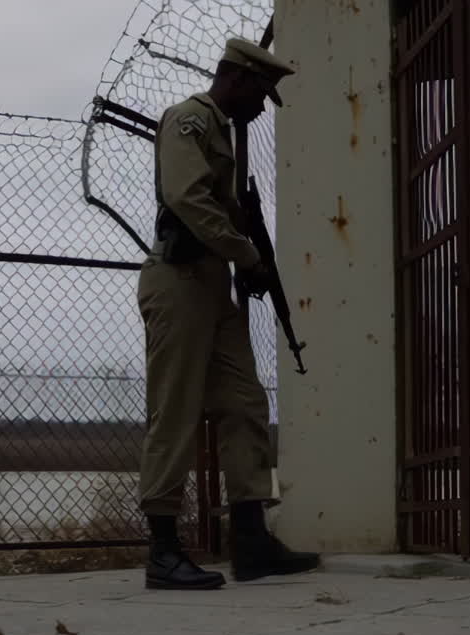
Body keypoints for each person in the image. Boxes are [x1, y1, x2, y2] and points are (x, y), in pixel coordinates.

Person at [137, 37, 320, 590]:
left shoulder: (222, 133)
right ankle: (163, 551)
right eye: (261, 93)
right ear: (237, 79)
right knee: (176, 412)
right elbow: (189, 200)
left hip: (213, 289)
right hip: (179, 282)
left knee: (244, 402)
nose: (263, 107)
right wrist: (248, 254)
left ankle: (251, 539)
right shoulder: (190, 121)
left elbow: (219, 210)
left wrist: (245, 254)